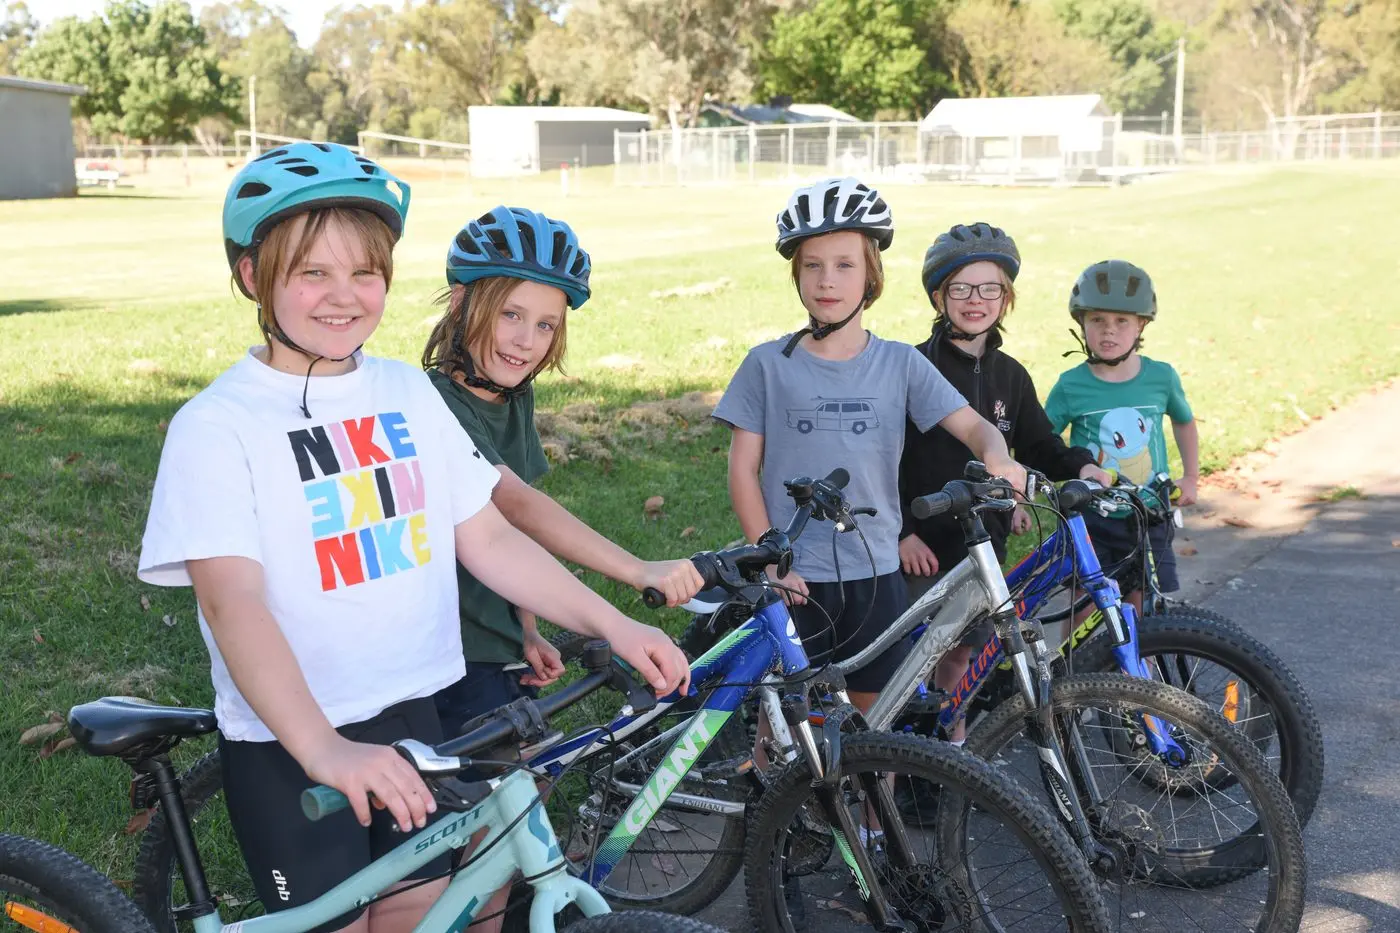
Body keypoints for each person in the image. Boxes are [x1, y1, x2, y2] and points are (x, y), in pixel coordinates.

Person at [137, 143, 689, 933]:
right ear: (253, 277)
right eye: (311, 272)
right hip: (291, 744)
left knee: (432, 917)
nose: (344, 296)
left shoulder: (403, 391)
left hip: (415, 718)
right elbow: (233, 605)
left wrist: (614, 619)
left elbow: (491, 539)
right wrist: (325, 748)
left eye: (364, 273)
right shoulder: (216, 426)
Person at [713, 179, 1029, 730]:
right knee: (787, 723)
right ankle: (770, 807)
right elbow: (743, 469)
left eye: (844, 265)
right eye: (812, 266)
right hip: (794, 574)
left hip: (877, 573)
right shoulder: (767, 364)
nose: (827, 280)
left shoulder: (900, 363)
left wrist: (999, 457)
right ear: (797, 275)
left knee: (874, 718)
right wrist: (770, 557)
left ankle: (871, 819)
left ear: (871, 275)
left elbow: (977, 428)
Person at [422, 205, 705, 738]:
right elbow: (516, 505)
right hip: (451, 648)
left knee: (522, 777)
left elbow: (520, 526)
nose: (526, 340)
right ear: (461, 303)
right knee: (490, 801)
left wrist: (525, 629)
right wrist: (638, 569)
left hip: (495, 637)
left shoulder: (512, 398)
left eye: (545, 324)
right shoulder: (436, 403)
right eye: (510, 314)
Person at [898, 223, 1113, 745]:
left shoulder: (1011, 375)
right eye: (962, 289)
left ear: (1007, 298)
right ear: (938, 296)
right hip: (923, 543)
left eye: (990, 288)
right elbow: (886, 460)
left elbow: (1040, 445)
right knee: (914, 659)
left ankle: (952, 757)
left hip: (983, 542)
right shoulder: (913, 367)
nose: (976, 301)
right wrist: (903, 530)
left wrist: (1081, 466)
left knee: (963, 655)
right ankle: (903, 760)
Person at [1045, 258, 1200, 617]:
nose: (1108, 331)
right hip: (1091, 517)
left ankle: (1138, 672)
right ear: (1081, 323)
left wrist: (1190, 476)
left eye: (1121, 321)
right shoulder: (1071, 385)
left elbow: (1184, 422)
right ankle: (1076, 670)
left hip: (1148, 514)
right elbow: (1041, 441)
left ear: (1141, 324)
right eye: (1097, 319)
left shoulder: (1160, 377)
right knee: (1083, 606)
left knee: (1140, 607)